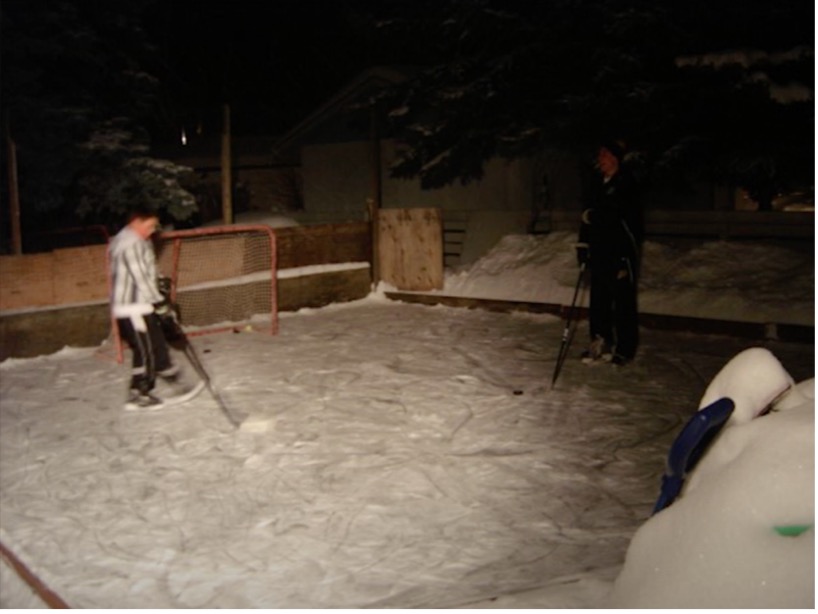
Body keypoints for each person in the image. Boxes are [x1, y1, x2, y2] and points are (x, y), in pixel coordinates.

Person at [109, 207, 196, 410]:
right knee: (145, 350)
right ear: (135, 222)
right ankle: (139, 393)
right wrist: (160, 302)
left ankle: (172, 377)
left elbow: (148, 270)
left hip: (142, 304)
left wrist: (160, 281)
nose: (152, 230)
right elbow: (139, 278)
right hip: (132, 308)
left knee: (157, 344)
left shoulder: (139, 240)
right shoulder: (128, 243)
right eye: (149, 226)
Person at [576, 140, 643, 366]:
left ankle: (625, 348)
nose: (600, 160)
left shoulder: (626, 184)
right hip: (599, 252)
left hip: (620, 253)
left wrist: (593, 217)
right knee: (599, 300)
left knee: (623, 302)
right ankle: (600, 340)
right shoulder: (597, 184)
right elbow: (586, 218)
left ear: (614, 158)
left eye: (604, 156)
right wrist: (583, 248)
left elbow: (619, 218)